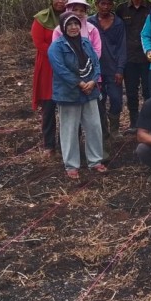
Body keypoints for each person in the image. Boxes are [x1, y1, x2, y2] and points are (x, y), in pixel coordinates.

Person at [48, 12, 107, 179]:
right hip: (69, 93)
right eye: (69, 25)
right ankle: (71, 165)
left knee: (94, 126)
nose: (73, 27)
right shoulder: (56, 47)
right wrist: (79, 83)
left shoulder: (86, 43)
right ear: (63, 27)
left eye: (76, 24)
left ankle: (95, 161)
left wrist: (93, 81)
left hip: (90, 91)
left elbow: (96, 63)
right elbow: (60, 70)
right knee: (69, 129)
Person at [116, 0, 151, 133]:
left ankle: (149, 122)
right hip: (129, 58)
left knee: (149, 91)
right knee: (132, 92)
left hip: (148, 58)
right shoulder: (121, 9)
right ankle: (134, 123)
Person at [31, 0, 68, 155]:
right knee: (48, 106)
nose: (60, 1)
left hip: (68, 65)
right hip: (47, 67)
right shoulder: (41, 19)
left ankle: (67, 144)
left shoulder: (70, 18)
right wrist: (59, 55)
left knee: (68, 107)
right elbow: (39, 44)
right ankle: (49, 145)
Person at [88, 0, 126, 140]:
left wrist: (120, 69)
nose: (106, 6)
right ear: (96, 4)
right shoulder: (90, 23)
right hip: (95, 70)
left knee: (116, 99)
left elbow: (122, 47)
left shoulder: (118, 23)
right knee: (99, 102)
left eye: (109, 3)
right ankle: (103, 131)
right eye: (102, 3)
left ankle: (115, 129)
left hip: (113, 69)